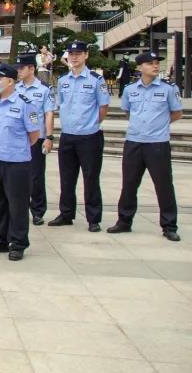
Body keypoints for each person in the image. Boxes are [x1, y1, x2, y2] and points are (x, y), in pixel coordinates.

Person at [108, 52, 182, 241]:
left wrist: (159, 125)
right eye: (150, 63)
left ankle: (169, 226)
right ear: (140, 68)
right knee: (129, 184)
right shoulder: (130, 90)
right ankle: (124, 221)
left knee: (164, 185)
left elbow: (177, 113)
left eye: (157, 63)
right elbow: (128, 111)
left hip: (157, 143)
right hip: (134, 142)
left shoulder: (168, 89)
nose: (155, 66)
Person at [0, 63, 42, 261]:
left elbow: (34, 135)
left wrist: (16, 149)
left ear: (10, 81)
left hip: (17, 163)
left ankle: (18, 242)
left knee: (17, 205)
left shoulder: (25, 103)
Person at [49, 40, 109, 232]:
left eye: (78, 54)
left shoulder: (96, 80)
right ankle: (66, 214)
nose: (74, 57)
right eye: (71, 54)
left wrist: (91, 124)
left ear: (86, 55)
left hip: (89, 136)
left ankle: (93, 218)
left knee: (90, 178)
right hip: (68, 135)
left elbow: (103, 107)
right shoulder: (63, 80)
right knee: (66, 178)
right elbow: (61, 104)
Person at [15, 53, 55, 226]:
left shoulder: (44, 89)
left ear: (32, 68)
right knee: (18, 176)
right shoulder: (15, 88)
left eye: (21, 68)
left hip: (36, 138)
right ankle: (19, 209)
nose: (18, 71)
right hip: (18, 139)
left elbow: (49, 113)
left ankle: (38, 211)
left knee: (36, 177)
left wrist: (49, 137)